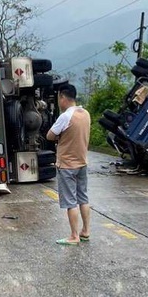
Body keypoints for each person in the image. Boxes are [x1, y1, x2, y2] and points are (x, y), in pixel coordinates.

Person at [46, 84, 91, 246]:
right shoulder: (85, 113)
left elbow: (50, 135)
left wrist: (60, 137)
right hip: (82, 162)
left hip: (67, 165)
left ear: (63, 98)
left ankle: (73, 235)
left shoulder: (66, 116)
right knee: (83, 198)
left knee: (70, 202)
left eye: (59, 98)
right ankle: (85, 231)